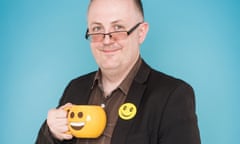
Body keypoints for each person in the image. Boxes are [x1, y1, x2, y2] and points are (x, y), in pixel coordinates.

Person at [36, 0, 201, 143]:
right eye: (97, 28)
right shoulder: (75, 88)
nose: (107, 40)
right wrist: (51, 133)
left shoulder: (172, 95)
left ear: (141, 33)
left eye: (118, 27)